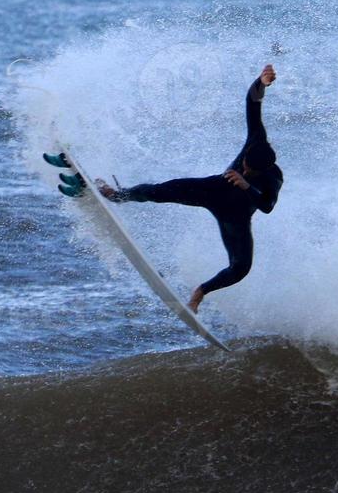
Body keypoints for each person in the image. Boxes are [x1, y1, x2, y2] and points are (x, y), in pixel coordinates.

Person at [52, 65, 282, 314]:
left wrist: (247, 186)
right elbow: (252, 104)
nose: (244, 171)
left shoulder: (273, 177)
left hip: (235, 215)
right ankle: (115, 194)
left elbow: (267, 206)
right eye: (245, 167)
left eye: (251, 173)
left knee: (240, 269)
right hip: (212, 190)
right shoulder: (256, 140)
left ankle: (199, 293)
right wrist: (261, 83)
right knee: (158, 191)